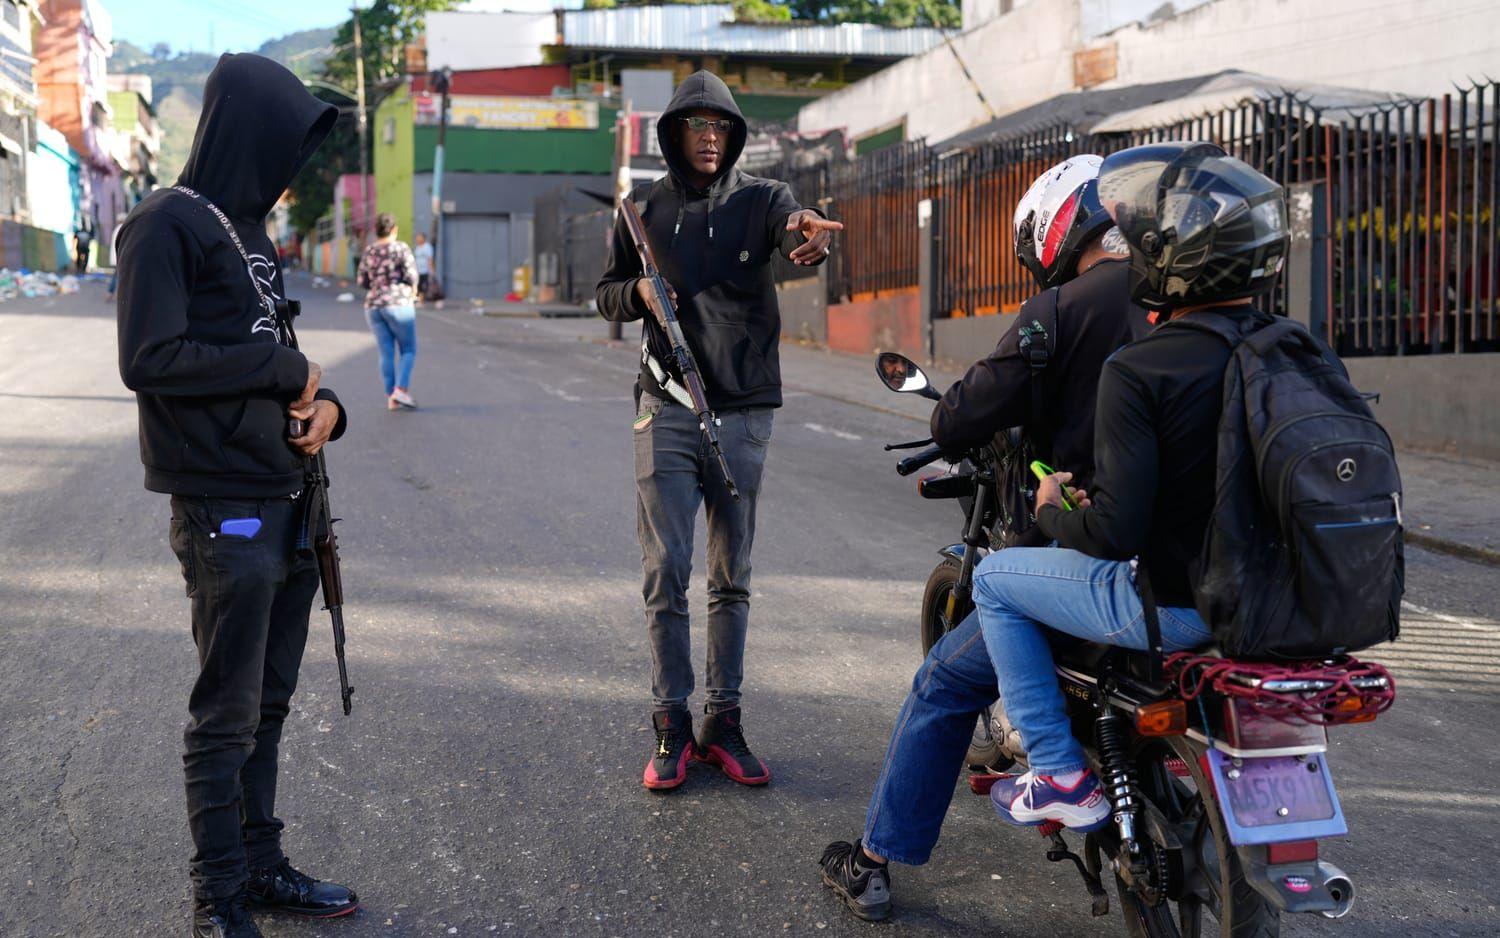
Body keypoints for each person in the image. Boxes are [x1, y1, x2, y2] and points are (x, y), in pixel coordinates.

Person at [818, 155, 1151, 922]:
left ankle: (872, 859)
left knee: (943, 679)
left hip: (1093, 556)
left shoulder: (1060, 309)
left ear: (1058, 230)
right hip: (1202, 564)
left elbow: (959, 413)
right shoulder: (1183, 303)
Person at [967, 144, 1291, 845]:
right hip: (1284, 601)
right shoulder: (1291, 347)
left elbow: (1117, 532)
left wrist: (1054, 509)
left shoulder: (1144, 366)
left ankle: (1056, 769)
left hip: (1180, 609)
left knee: (994, 580)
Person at [115, 53, 358, 938]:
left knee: (269, 704)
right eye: (284, 145)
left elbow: (275, 364)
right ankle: (216, 899)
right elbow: (150, 360)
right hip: (223, 509)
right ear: (244, 133)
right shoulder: (163, 224)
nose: (290, 169)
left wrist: (327, 405)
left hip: (289, 496)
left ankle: (260, 867)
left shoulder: (249, 233)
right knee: (225, 715)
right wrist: (283, 367)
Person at [596, 70, 843, 792]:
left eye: (720, 126)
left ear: (733, 135)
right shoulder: (641, 207)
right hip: (664, 404)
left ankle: (722, 721)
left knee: (731, 576)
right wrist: (637, 290)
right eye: (694, 125)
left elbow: (795, 228)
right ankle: (670, 722)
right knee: (666, 570)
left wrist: (809, 238)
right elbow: (605, 290)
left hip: (743, 411)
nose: (708, 136)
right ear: (674, 133)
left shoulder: (763, 198)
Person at [357, 213, 420, 410]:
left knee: (386, 353)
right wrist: (414, 291)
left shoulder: (369, 251)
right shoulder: (400, 248)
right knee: (408, 350)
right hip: (399, 304)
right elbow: (411, 275)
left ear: (376, 231)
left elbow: (362, 281)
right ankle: (401, 390)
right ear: (394, 229)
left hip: (374, 307)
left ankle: (391, 397)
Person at [413, 231, 433, 300]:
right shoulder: (417, 247)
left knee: (425, 285)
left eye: (419, 237)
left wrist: (431, 269)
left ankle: (423, 300)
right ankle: (420, 300)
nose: (418, 239)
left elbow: (430, 258)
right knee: (418, 285)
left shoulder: (427, 247)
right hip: (418, 270)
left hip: (425, 270)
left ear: (423, 238)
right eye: (417, 238)